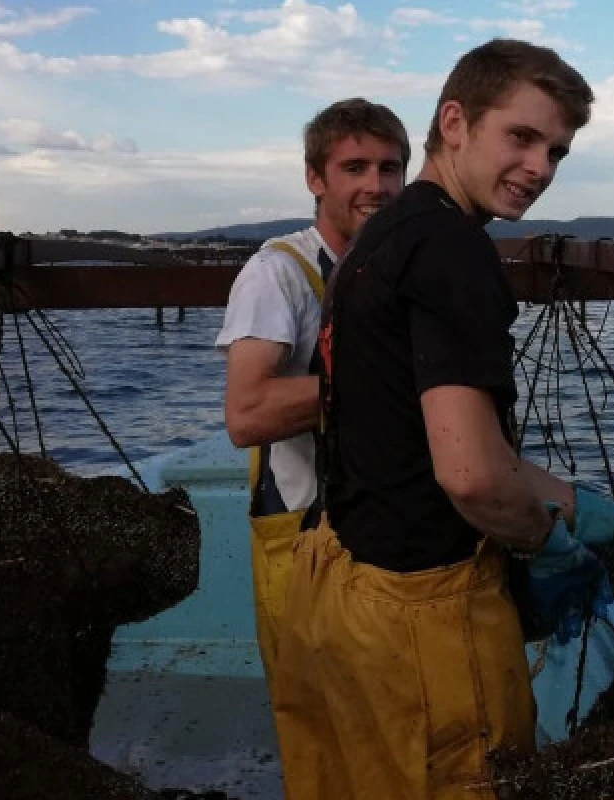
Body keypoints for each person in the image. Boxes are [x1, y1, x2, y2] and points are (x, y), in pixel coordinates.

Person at [273, 39, 614, 800]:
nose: (540, 167)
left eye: (558, 152)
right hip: (430, 619)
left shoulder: (381, 238)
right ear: (455, 121)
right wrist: (552, 547)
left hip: (351, 591)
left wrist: (611, 519)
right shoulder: (452, 251)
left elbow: (437, 443)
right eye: (521, 136)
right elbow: (473, 475)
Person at [215, 98, 410, 695]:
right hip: (304, 541)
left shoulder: (393, 270)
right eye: (354, 168)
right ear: (314, 178)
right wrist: (389, 384)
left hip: (388, 535)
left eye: (389, 168)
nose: (375, 186)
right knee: (324, 729)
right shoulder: (279, 273)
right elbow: (246, 414)